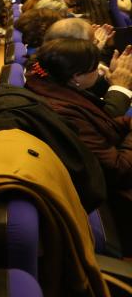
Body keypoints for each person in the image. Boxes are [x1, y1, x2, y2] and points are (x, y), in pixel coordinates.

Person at [24, 38, 132, 254]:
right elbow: (118, 170)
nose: (100, 73)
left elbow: (101, 123)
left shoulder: (46, 84)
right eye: (96, 70)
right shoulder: (61, 110)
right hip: (111, 200)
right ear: (76, 77)